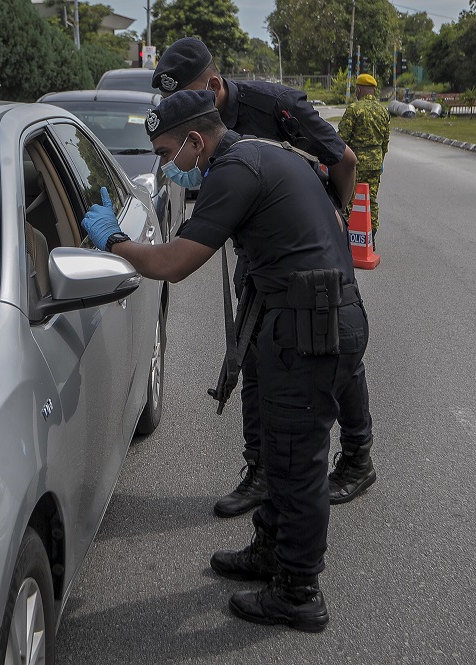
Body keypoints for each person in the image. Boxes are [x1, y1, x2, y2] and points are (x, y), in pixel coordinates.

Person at [81, 89, 370, 632]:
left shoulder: (233, 171)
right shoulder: (258, 152)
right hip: (308, 317)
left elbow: (173, 263)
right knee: (283, 455)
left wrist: (114, 242)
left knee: (296, 463)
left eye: (167, 154)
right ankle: (271, 552)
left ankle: (298, 592)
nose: (166, 167)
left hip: (311, 328)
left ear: (195, 140)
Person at [151, 37, 376, 513]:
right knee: (253, 355)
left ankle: (357, 458)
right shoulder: (197, 127)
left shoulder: (274, 105)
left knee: (335, 350)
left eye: (186, 97)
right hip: (258, 254)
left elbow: (345, 160)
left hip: (312, 254)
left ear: (213, 86)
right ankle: (260, 470)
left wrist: (333, 216)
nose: (180, 109)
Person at [338, 73, 390, 243]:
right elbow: (385, 141)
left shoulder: (354, 109)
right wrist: (380, 160)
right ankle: (371, 238)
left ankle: (345, 240)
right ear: (374, 91)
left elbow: (342, 138)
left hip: (356, 163)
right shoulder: (383, 111)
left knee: (348, 200)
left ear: (358, 90)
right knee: (371, 201)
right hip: (375, 163)